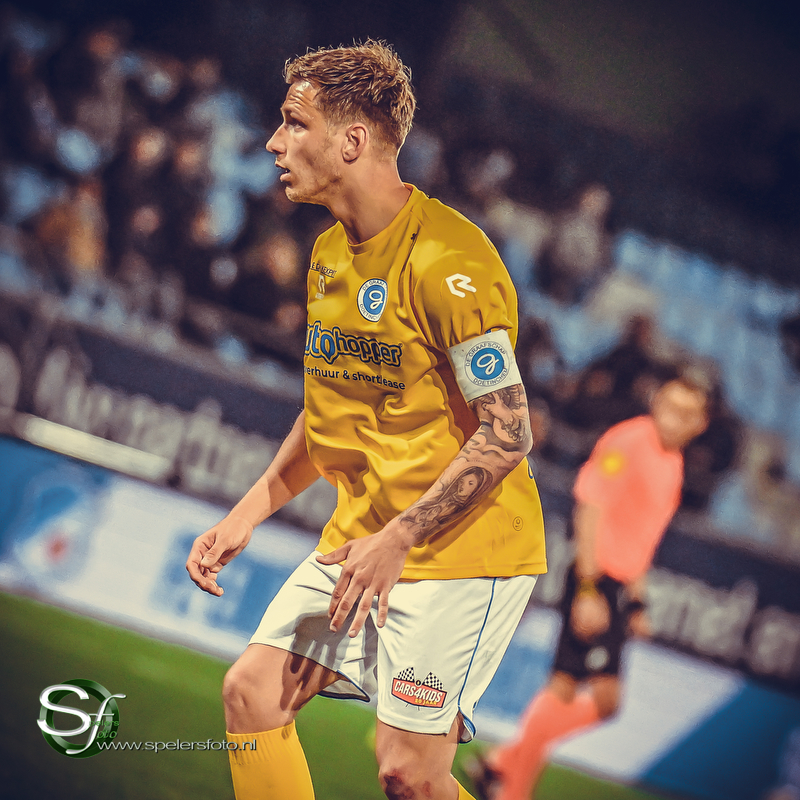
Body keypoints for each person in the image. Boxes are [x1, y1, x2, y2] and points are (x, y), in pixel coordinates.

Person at [185, 40, 547, 800]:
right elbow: (331, 413)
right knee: (252, 694)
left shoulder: (451, 261)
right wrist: (246, 513)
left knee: (408, 775)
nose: (274, 142)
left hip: (460, 552)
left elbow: (509, 431)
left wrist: (402, 537)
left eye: (294, 124)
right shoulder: (327, 255)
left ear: (352, 141)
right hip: (364, 542)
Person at [472, 373, 710, 800]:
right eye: (670, 406)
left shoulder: (673, 463)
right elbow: (589, 509)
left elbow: (644, 538)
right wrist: (587, 589)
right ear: (656, 402)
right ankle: (511, 781)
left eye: (686, 413)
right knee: (598, 698)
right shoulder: (627, 442)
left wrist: (637, 602)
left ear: (700, 424)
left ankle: (504, 765)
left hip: (616, 588)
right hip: (595, 579)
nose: (674, 418)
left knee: (572, 691)